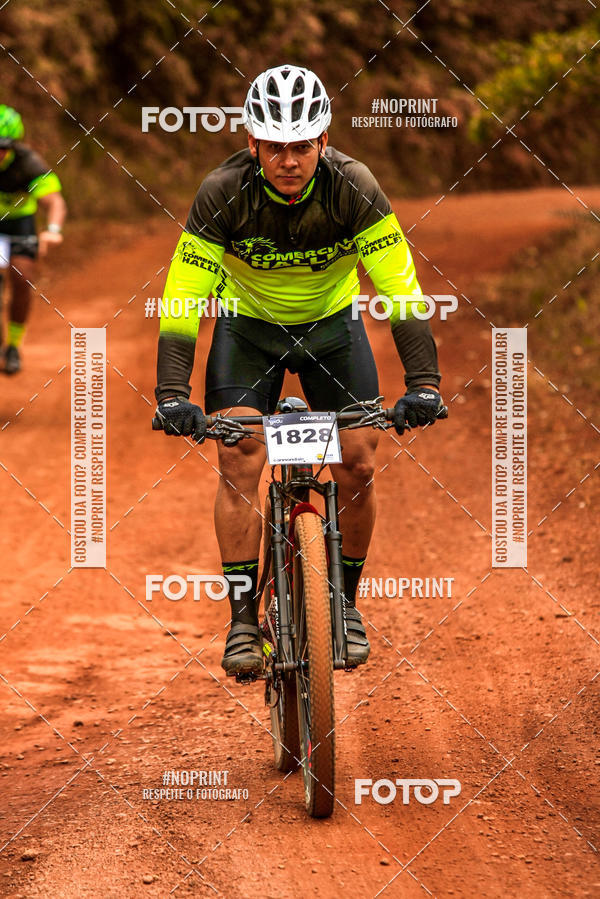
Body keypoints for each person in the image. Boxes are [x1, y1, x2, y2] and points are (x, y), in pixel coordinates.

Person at [154, 65, 444, 675]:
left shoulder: (354, 187)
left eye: (303, 145)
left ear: (325, 141)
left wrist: (424, 385)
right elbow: (183, 296)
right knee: (238, 460)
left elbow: (402, 290)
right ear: (252, 143)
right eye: (276, 146)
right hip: (247, 331)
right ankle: (240, 622)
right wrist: (173, 394)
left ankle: (343, 603)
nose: (289, 160)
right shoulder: (221, 191)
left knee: (359, 459)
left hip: (332, 332)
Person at [0, 104, 66, 374]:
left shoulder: (29, 163)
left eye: (3, 146)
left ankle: (13, 345)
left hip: (19, 224)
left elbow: (55, 202)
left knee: (22, 276)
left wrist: (53, 229)